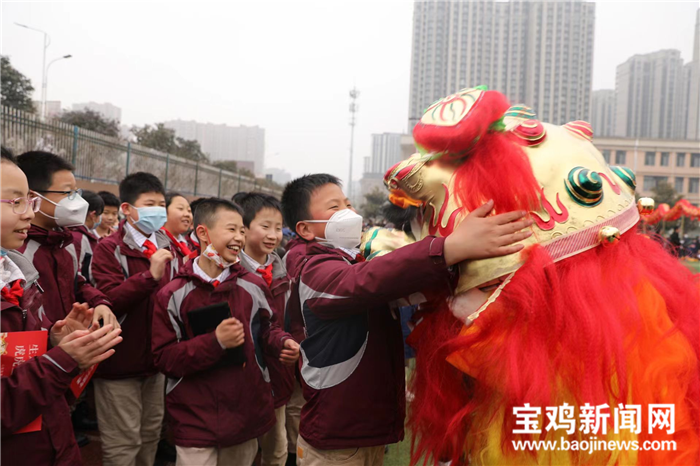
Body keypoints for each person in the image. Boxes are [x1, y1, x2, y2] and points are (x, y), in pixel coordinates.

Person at [281, 174, 532, 466]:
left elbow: (398, 287)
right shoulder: (312, 269)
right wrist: (447, 247)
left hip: (364, 431)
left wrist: (469, 272)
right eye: (335, 207)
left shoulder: (350, 260)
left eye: (348, 203)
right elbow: (360, 282)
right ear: (305, 229)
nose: (349, 212)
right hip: (335, 435)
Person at [152, 198, 301, 466]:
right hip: (193, 418)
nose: (239, 238)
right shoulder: (172, 293)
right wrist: (215, 342)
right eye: (231, 229)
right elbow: (164, 359)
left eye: (242, 231)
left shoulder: (253, 284)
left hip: (243, 413)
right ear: (202, 233)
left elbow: (268, 328)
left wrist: (282, 342)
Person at [1, 147, 122, 466]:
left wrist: (51, 344)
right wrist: (59, 359)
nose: (26, 212)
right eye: (16, 201)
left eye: (27, 201)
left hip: (48, 421)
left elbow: (81, 281)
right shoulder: (23, 254)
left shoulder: (26, 262)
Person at [91, 172, 176, 466]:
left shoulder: (170, 246)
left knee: (151, 433)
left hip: (157, 361)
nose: (158, 210)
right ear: (127, 209)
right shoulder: (109, 248)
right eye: (150, 203)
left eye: (161, 204)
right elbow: (108, 300)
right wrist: (149, 276)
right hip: (119, 362)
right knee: (122, 443)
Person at [15, 151, 118, 328]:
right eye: (67, 193)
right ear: (33, 197)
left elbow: (75, 282)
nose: (77, 200)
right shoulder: (17, 249)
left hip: (68, 344)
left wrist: (99, 301)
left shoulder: (65, 242)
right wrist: (53, 341)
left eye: (76, 192)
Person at [233, 192, 298, 466]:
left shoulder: (282, 269)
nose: (273, 235)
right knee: (243, 450)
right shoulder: (231, 271)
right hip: (242, 376)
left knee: (277, 446)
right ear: (243, 229)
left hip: (278, 372)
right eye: (264, 226)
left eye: (278, 227)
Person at [70, 189, 103, 285]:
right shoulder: (79, 238)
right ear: (93, 215)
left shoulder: (76, 233)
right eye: (99, 215)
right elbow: (77, 274)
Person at [161, 192, 194, 262]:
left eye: (189, 211)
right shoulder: (157, 242)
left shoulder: (187, 245)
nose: (187, 214)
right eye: (180, 208)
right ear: (164, 211)